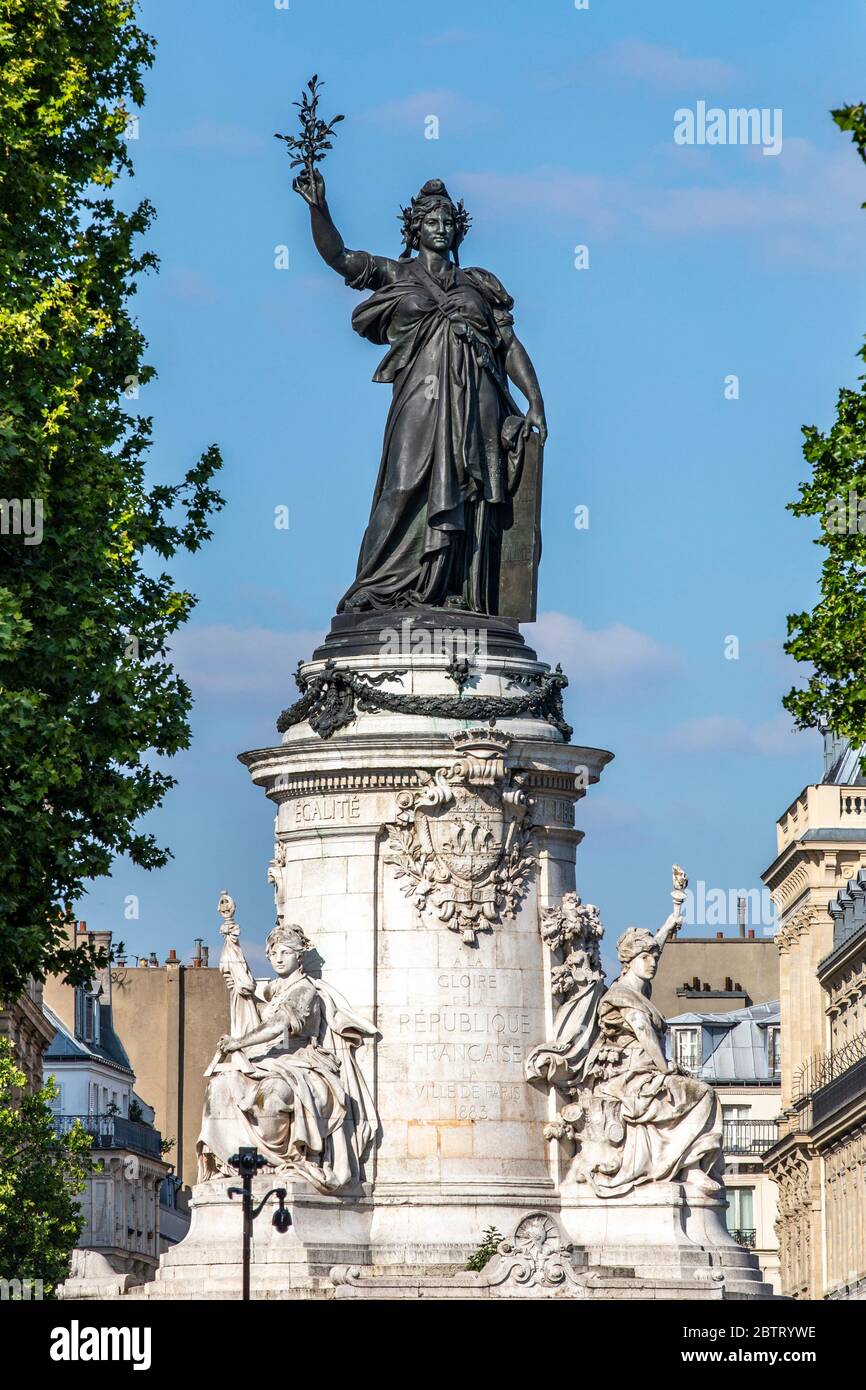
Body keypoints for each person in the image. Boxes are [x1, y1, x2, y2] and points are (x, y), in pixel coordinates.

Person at [294, 170, 547, 614]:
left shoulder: (480, 285)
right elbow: (339, 256)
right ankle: (375, 589)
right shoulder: (396, 273)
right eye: (432, 221)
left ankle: (454, 591)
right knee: (403, 482)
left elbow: (508, 346)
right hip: (420, 398)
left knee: (470, 497)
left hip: (477, 400)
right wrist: (319, 208)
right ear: (415, 228)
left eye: (449, 221)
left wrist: (535, 401)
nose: (441, 228)